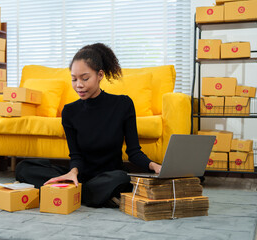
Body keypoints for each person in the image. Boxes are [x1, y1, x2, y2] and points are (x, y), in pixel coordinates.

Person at [15, 43, 161, 208]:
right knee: (24, 167)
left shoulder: (123, 104)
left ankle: (73, 193)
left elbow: (134, 152)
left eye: (85, 78)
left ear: (100, 75)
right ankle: (86, 193)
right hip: (80, 176)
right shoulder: (69, 111)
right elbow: (76, 156)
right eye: (74, 79)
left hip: (109, 176)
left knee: (122, 178)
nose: (79, 85)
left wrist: (154, 165)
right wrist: (73, 172)